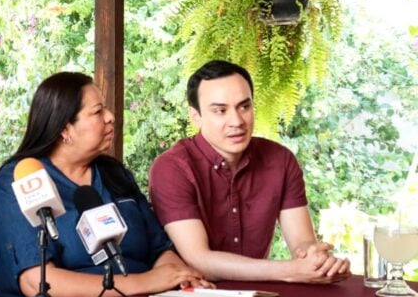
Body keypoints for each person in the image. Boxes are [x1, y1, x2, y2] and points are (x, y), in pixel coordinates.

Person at [0, 72, 209, 297]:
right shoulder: (17, 180)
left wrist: (181, 277)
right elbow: (36, 282)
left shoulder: (114, 173)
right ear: (65, 129)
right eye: (97, 112)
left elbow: (160, 250)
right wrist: (146, 283)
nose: (110, 117)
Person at [148, 60, 350, 283]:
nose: (236, 121)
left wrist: (315, 258)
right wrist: (290, 271)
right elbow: (198, 260)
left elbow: (302, 242)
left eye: (244, 106)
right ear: (195, 116)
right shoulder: (172, 168)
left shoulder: (280, 160)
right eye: (220, 111)